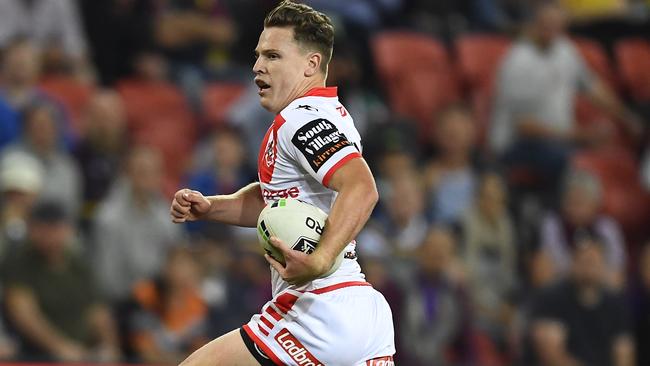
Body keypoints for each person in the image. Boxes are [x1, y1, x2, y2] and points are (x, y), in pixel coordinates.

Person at [170, 1, 395, 365]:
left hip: (317, 308)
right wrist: (213, 208)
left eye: (273, 56)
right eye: (258, 55)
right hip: (360, 310)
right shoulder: (331, 113)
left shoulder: (300, 119)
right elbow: (282, 202)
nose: (258, 66)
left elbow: (362, 188)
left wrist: (320, 259)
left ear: (311, 64)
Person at [489, 2, 641, 195]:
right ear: (534, 23)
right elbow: (524, 127)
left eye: (557, 25)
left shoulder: (565, 49)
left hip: (558, 140)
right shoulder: (517, 61)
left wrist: (627, 117)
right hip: (515, 146)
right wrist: (581, 136)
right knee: (568, 161)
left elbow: (593, 88)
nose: (551, 30)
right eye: (546, 24)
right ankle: (554, 220)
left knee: (617, 154)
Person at [1, 201, 121, 362]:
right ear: (32, 230)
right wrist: (61, 347)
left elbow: (97, 310)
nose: (50, 235)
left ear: (68, 230)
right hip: (33, 354)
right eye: (44, 228)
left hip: (82, 351)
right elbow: (24, 314)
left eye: (56, 228)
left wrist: (109, 345)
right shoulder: (20, 261)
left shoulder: (78, 263)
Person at [93, 146, 182, 303]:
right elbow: (107, 279)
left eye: (153, 172)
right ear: (127, 174)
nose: (147, 178)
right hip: (122, 301)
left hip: (161, 297)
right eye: (141, 171)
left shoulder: (166, 213)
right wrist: (142, 294)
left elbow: (177, 260)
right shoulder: (109, 218)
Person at [529, 238, 634, 366]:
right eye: (583, 260)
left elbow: (623, 352)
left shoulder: (615, 302)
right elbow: (552, 356)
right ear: (572, 262)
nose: (588, 266)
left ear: (603, 264)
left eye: (593, 260)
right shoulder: (551, 298)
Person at [540, 170, 626, 287]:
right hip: (563, 288)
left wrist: (592, 272)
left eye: (582, 202)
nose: (576, 207)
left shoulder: (607, 228)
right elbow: (548, 265)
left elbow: (617, 269)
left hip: (600, 289)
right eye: (572, 201)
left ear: (595, 204)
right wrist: (580, 270)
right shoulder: (553, 224)